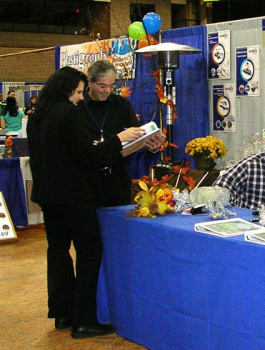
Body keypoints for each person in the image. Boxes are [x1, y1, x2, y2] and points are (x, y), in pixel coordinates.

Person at [27, 66, 146, 339]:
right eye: (79, 92)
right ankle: (84, 320)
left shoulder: (37, 116)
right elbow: (87, 155)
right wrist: (118, 140)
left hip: (49, 197)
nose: (81, 97)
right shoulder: (69, 114)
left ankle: (62, 312)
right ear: (68, 89)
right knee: (90, 254)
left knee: (57, 253)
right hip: (75, 197)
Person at [78, 60, 164, 207]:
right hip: (87, 181)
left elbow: (137, 137)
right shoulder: (78, 106)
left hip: (117, 180)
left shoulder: (121, 104)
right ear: (89, 82)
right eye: (102, 86)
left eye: (112, 86)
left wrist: (150, 144)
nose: (107, 91)